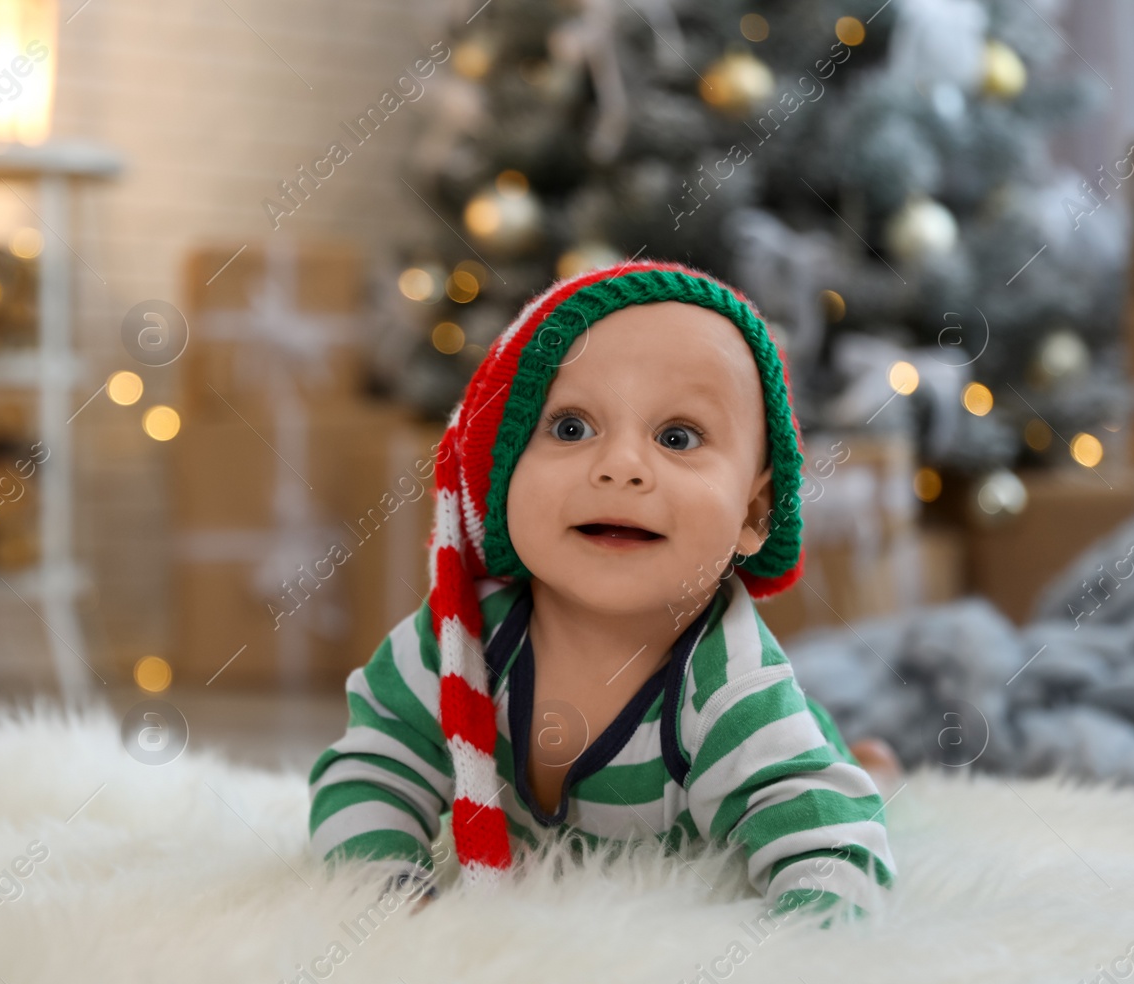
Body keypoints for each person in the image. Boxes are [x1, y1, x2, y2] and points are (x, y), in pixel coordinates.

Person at [307, 261, 900, 920]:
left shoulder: (732, 687)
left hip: (765, 744)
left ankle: (863, 762)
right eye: (571, 427)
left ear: (754, 514)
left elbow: (832, 850)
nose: (620, 466)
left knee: (831, 778)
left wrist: (806, 942)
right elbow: (370, 768)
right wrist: (388, 888)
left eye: (678, 436)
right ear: (503, 474)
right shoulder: (459, 640)